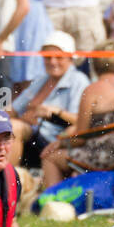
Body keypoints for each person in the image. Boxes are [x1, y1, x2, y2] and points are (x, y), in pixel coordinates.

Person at [9, 30, 88, 169]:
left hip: (52, 138)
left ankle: (6, 181)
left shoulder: (78, 81)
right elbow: (14, 108)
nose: (52, 62)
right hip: (32, 134)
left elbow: (82, 121)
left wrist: (56, 112)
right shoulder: (42, 79)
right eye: (47, 57)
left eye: (58, 57)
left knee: (13, 128)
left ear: (70, 58)